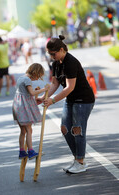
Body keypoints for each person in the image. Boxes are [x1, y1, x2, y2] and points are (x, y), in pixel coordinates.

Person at [38, 35, 95, 173]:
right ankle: (78, 159)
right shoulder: (56, 63)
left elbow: (70, 87)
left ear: (62, 49)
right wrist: (44, 97)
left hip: (83, 99)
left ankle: (80, 162)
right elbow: (55, 83)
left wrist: (52, 101)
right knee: (64, 128)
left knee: (77, 130)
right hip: (71, 100)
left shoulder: (70, 62)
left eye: (53, 53)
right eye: (49, 54)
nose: (51, 56)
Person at [13, 63, 50, 160]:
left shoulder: (21, 78)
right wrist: (43, 89)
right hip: (23, 108)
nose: (37, 79)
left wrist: (36, 94)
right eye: (38, 76)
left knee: (23, 131)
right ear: (35, 73)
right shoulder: (27, 80)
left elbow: (26, 95)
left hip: (17, 107)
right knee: (29, 130)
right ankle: (30, 151)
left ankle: (22, 151)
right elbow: (31, 93)